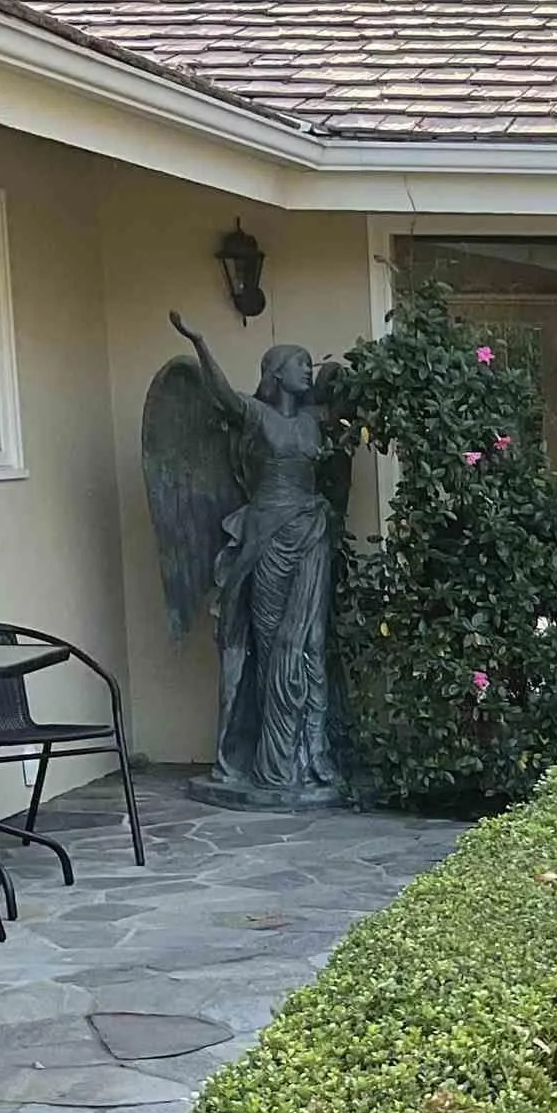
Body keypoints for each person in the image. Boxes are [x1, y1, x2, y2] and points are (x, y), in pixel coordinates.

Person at [168, 311, 340, 798]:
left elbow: (346, 394)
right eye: (299, 364)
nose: (307, 371)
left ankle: (313, 753)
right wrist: (200, 342)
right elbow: (219, 394)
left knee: (310, 639)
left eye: (310, 365)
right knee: (271, 646)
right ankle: (273, 759)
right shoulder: (254, 415)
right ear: (276, 372)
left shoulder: (313, 420)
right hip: (266, 536)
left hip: (310, 530)